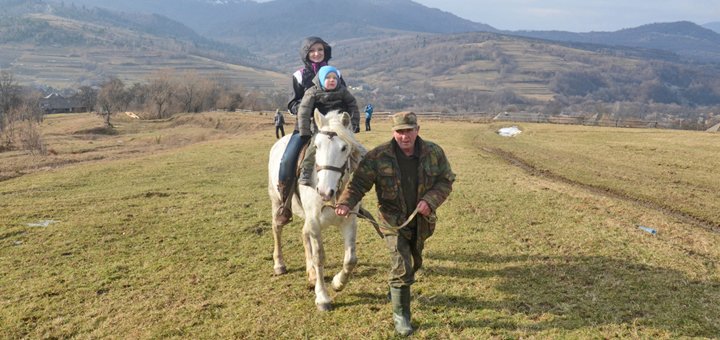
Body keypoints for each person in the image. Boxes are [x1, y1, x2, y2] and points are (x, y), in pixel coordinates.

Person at [335, 112, 455, 336]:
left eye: (408, 130)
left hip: (421, 220)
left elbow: (446, 180)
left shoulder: (434, 153)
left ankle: (397, 287)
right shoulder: (378, 156)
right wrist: (345, 203)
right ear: (393, 133)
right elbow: (358, 184)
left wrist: (430, 201)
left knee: (414, 259)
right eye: (400, 131)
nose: (404, 136)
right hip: (391, 220)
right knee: (401, 263)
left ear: (417, 130)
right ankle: (402, 317)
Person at [296, 65, 360, 186]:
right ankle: (306, 170)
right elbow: (303, 111)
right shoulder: (312, 93)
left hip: (340, 130)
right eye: (328, 77)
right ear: (320, 79)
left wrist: (354, 124)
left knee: (358, 149)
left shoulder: (343, 91)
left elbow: (353, 106)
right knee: (311, 150)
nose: (332, 80)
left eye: (335, 78)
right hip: (321, 130)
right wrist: (304, 131)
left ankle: (362, 172)